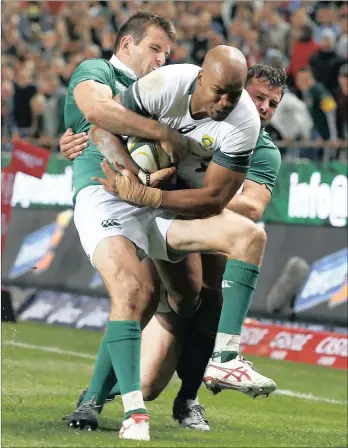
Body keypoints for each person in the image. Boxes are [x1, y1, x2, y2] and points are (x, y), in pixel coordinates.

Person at [63, 64, 286, 432]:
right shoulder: (194, 107)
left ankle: (190, 398)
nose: (263, 107)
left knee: (206, 298)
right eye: (257, 97)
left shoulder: (263, 149)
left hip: (193, 220)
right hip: (164, 218)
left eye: (272, 104)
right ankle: (94, 398)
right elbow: (113, 122)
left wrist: (197, 195)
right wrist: (77, 141)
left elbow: (253, 206)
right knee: (142, 295)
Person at [63, 10, 182, 441]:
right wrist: (159, 133)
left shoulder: (162, 94)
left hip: (151, 200)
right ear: (127, 45)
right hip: (103, 193)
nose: (160, 61)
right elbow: (96, 111)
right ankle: (131, 412)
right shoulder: (97, 71)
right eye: (154, 50)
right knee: (131, 288)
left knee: (149, 296)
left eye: (166, 54)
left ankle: (95, 397)